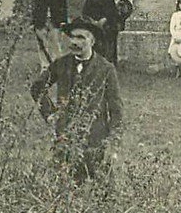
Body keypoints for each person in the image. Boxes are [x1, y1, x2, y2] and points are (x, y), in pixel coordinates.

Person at [30, 18, 123, 182]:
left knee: (100, 189)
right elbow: (37, 88)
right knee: (64, 185)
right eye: (72, 37)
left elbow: (116, 108)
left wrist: (112, 141)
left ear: (92, 41)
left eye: (81, 38)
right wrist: (50, 114)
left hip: (96, 138)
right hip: (65, 136)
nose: (75, 42)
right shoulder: (61, 64)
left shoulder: (106, 68)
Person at [28, 0, 79, 69]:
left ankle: (57, 65)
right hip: (41, 21)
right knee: (42, 45)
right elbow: (35, 7)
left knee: (55, 44)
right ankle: (45, 66)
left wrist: (63, 21)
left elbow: (64, 7)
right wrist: (33, 22)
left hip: (55, 21)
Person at [84, 0, 121, 64]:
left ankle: (108, 61)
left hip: (107, 23)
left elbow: (113, 11)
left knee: (108, 40)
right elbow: (85, 12)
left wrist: (104, 19)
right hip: (93, 23)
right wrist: (92, 21)